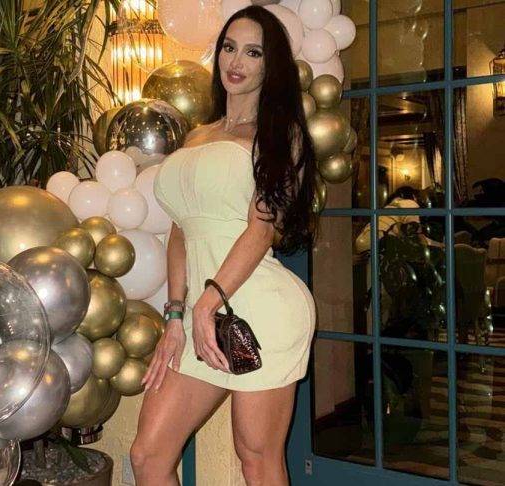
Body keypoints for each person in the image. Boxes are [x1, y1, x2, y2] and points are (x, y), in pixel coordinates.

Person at [130, 6, 319, 485]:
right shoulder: (198, 135)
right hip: (199, 316)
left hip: (259, 310)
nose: (236, 61)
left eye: (253, 52)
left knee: (256, 457)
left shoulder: (281, 135)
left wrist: (208, 302)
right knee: (148, 456)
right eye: (230, 48)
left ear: (270, 65)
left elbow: (261, 229)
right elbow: (180, 231)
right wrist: (177, 316)